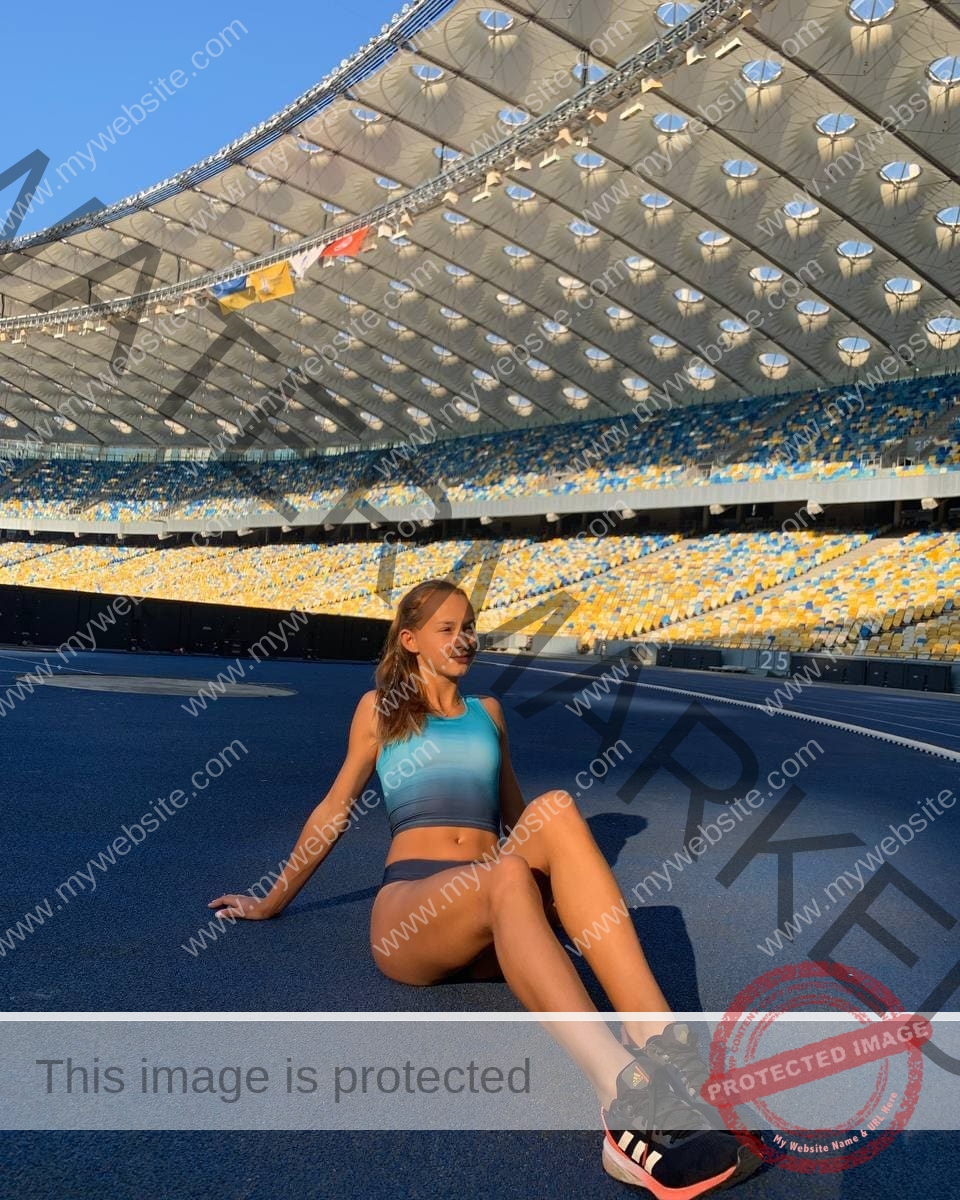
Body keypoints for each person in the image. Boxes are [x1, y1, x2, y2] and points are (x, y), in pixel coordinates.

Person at [209, 578, 762, 1196]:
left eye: (468, 625)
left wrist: (554, 889)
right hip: (414, 916)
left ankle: (664, 1045)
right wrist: (271, 900)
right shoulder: (381, 708)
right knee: (504, 870)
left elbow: (523, 822)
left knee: (554, 808)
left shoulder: (488, 715)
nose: (463, 638)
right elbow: (335, 809)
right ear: (411, 639)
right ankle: (622, 1096)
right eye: (446, 628)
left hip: (493, 907)